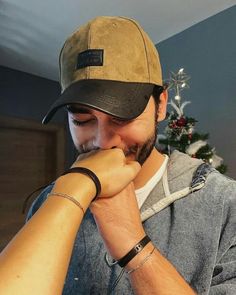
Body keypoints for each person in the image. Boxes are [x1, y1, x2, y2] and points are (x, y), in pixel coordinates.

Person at [0, 16, 235, 295]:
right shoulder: (46, 203)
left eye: (122, 116)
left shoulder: (225, 205)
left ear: (160, 105)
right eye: (82, 119)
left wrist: (131, 241)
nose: (104, 141)